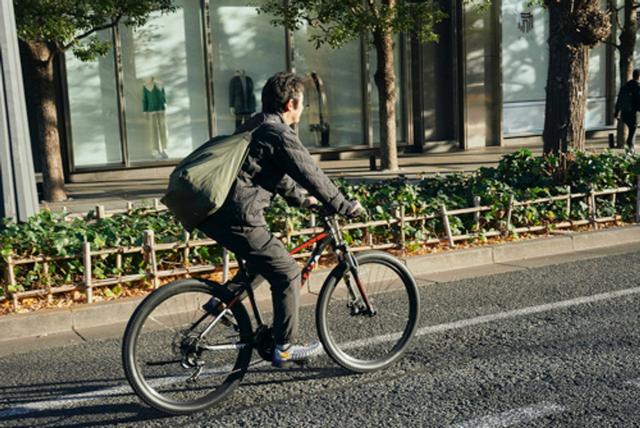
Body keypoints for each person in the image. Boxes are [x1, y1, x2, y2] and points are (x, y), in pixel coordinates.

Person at [197, 72, 363, 368]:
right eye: (302, 104)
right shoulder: (280, 133)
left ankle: (222, 303)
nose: (302, 110)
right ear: (290, 104)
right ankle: (284, 348)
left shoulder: (258, 124)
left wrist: (303, 199)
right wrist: (342, 205)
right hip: (238, 214)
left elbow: (277, 176)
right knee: (287, 272)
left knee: (266, 259)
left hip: (216, 212)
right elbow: (310, 172)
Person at [614, 69, 640, 154]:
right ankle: (630, 150)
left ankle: (629, 149)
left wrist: (616, 113)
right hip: (633, 113)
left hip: (624, 113)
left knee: (631, 131)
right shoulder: (638, 87)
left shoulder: (625, 86)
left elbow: (619, 100)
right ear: (639, 76)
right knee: (632, 132)